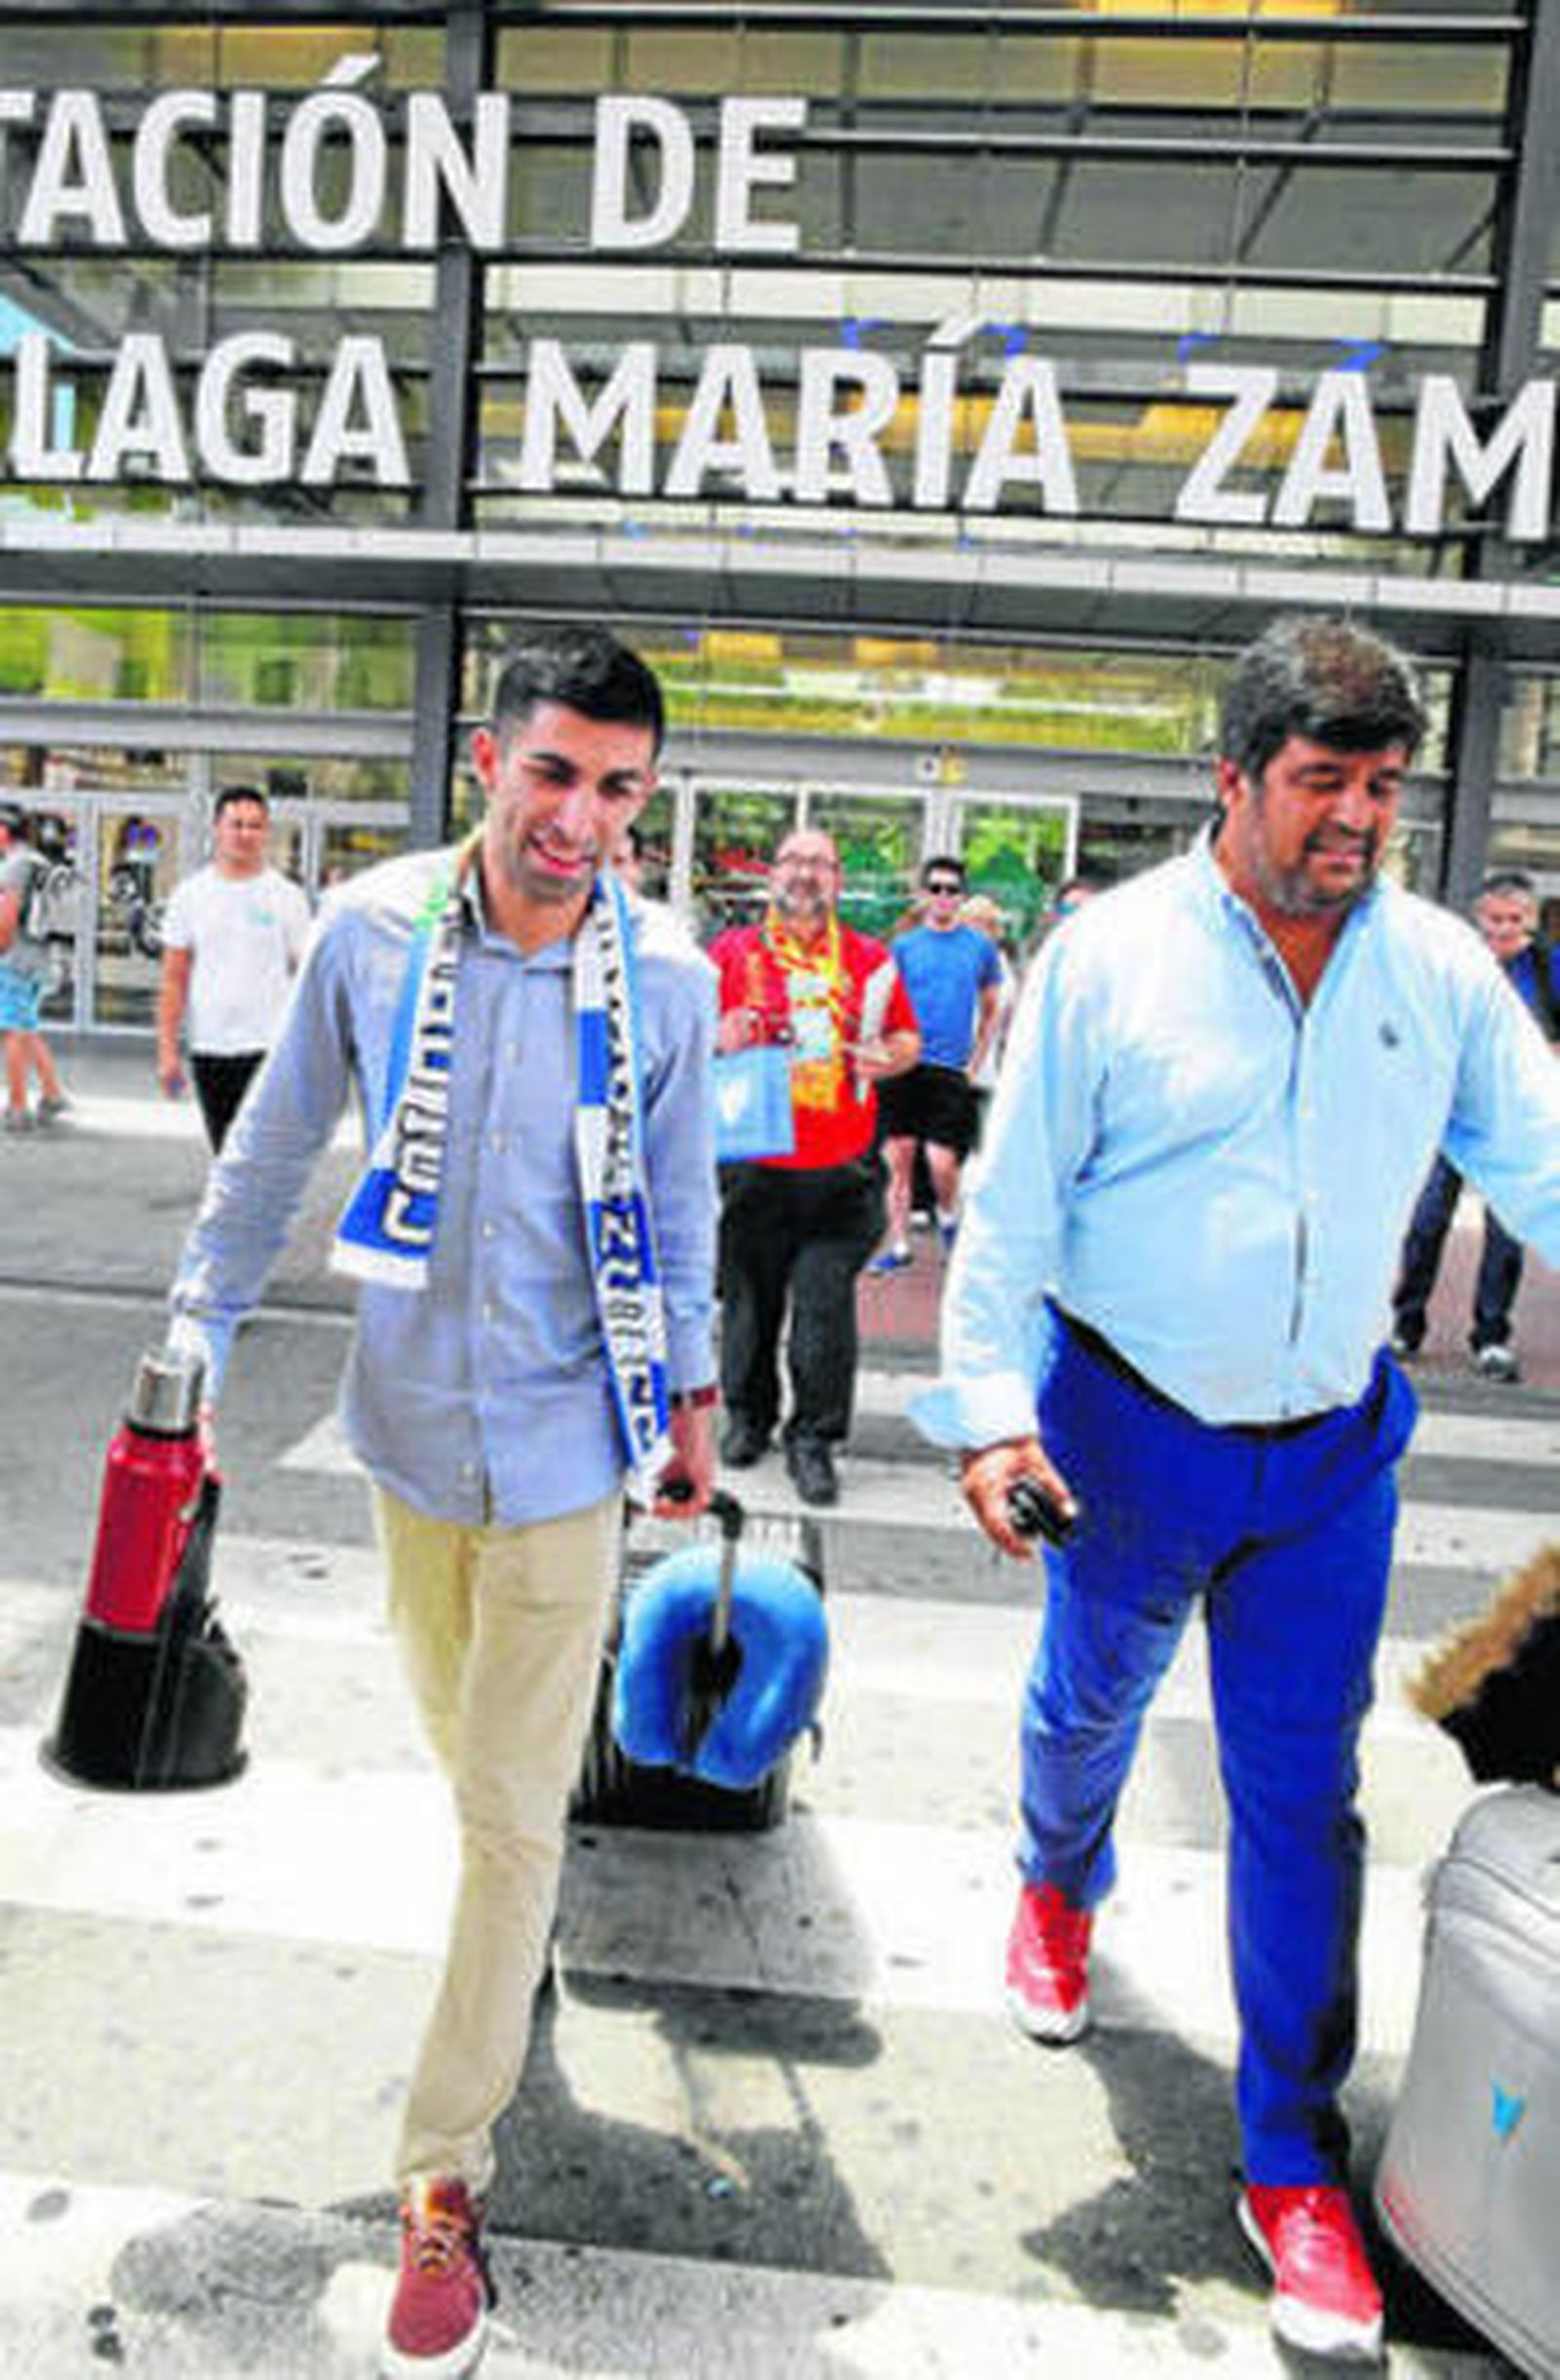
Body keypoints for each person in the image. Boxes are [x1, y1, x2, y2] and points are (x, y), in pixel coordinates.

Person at [915, 616, 1560, 2361]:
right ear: (1235, 778)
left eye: (1381, 785)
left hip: (1331, 1457)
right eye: (1322, 782)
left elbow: (1547, 1163)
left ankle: (1292, 2158)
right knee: (1086, 1711)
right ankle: (1059, 1880)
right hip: (1123, 1435)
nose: (1357, 818)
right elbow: (1013, 1212)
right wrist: (991, 1420)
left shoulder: (1435, 970)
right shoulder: (1111, 957)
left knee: (1306, 1799)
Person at [166, 625, 720, 2380]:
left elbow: (687, 1202)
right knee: (464, 1760)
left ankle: (441, 2174)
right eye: (556, 772)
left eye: (621, 788)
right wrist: (191, 1324)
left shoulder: (673, 979)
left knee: (503, 1817)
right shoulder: (375, 930)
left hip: (572, 1446)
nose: (583, 818)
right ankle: (516, 1947)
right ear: (491, 761)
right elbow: (272, 1150)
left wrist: (694, 1394)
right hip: (407, 1434)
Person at [709, 826, 918, 1506]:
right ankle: (747, 1416)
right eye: (794, 861)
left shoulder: (870, 959)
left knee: (824, 1309)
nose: (806, 874)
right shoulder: (729, 953)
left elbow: (908, 1039)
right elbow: (682, 1037)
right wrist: (719, 1033)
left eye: (821, 864)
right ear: (774, 873)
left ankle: (814, 1439)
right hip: (754, 1164)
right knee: (750, 1301)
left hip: (842, 1170)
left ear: (837, 879)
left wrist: (887, 1058)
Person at [1390, 870, 1560, 1383]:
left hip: (1514, 1123)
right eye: (1495, 919)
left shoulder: (1548, 970)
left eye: (1516, 920)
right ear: (1477, 919)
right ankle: (1406, 1324)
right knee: (1426, 1222)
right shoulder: (1451, 966)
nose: (1505, 929)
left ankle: (1491, 1337)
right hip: (1449, 1117)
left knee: (1506, 1233)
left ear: (1530, 922)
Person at [156, 784, 313, 1151]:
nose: (245, 834)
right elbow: (174, 979)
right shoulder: (190, 896)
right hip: (209, 1048)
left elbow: (308, 978)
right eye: (236, 824)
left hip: (269, 1048)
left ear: (266, 832)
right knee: (225, 1152)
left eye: (255, 826)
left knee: (263, 1154)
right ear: (217, 829)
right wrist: (167, 1051)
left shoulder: (286, 898)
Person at [872, 856, 1001, 1269]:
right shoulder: (905, 946)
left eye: (952, 890)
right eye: (936, 889)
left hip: (949, 1069)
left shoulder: (979, 947)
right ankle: (899, 1246)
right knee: (899, 1161)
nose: (944, 897)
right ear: (924, 895)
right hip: (904, 1064)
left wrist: (976, 1061)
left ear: (961, 897)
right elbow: (885, 1002)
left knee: (942, 1162)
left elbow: (993, 1007)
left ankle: (947, 1216)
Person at [0, 803, 70, 1135]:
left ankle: (17, 1108)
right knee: (26, 1026)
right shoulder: (38, 860)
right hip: (40, 956)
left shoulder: (14, 865)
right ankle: (53, 1094)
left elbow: (8, 917)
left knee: (12, 1031)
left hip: (15, 958)